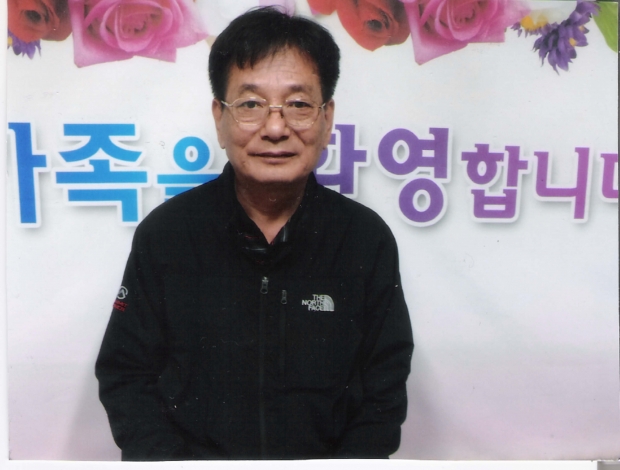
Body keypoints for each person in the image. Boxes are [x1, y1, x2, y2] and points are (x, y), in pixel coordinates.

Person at [95, 6, 413, 460]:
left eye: (298, 105)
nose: (276, 128)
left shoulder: (364, 239)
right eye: (250, 105)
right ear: (219, 119)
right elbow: (126, 376)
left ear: (327, 119)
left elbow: (384, 390)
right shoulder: (167, 235)